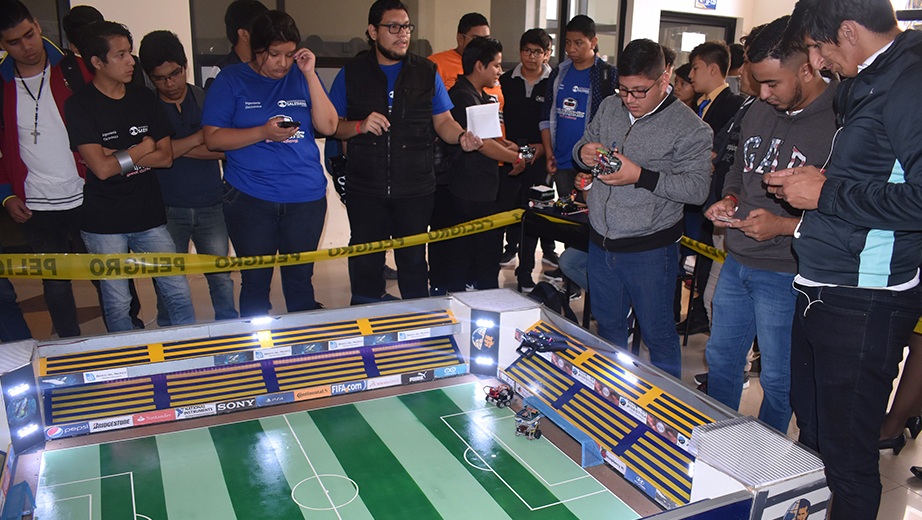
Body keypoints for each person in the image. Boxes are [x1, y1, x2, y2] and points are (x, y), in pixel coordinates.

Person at [767, 1, 922, 517]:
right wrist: (813, 183)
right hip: (822, 286)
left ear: (849, 32)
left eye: (817, 47)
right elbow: (874, 176)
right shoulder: (872, 78)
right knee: (813, 438)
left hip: (865, 299)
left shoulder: (911, 79)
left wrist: (827, 192)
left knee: (848, 462)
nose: (816, 62)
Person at [701, 15, 837, 433]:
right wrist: (730, 199)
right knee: (721, 361)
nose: (763, 94)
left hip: (786, 272)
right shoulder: (759, 109)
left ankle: (768, 458)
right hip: (737, 261)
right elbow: (740, 171)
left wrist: (782, 225)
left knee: (778, 379)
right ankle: (715, 449)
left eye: (772, 84)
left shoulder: (840, 121)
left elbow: (843, 209)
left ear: (808, 67)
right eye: (757, 83)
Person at [573, 39, 712, 379]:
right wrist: (584, 153)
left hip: (650, 250)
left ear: (665, 79)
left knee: (658, 335)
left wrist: (640, 175)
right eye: (623, 90)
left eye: (639, 91)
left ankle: (669, 414)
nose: (629, 100)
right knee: (607, 329)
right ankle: (610, 397)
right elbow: (582, 145)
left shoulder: (690, 128)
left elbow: (697, 190)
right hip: (601, 241)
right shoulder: (609, 107)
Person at [328, 0, 482, 305]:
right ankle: (363, 329)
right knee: (366, 266)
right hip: (366, 187)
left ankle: (421, 330)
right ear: (373, 31)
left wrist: (461, 137)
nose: (403, 34)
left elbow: (444, 122)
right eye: (393, 27)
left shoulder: (426, 72)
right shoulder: (351, 73)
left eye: (407, 27)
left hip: (415, 188)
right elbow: (333, 127)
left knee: (413, 264)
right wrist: (359, 125)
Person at [203, 11, 337, 317]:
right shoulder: (232, 79)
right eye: (274, 54)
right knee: (255, 282)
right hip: (250, 198)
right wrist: (263, 132)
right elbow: (212, 138)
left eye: (289, 54)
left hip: (305, 198)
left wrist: (309, 73)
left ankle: (305, 349)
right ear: (256, 50)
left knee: (301, 281)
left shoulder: (302, 76)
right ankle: (257, 355)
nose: (282, 63)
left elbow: (328, 126)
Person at [64, 21, 196, 332]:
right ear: (97, 62)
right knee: (117, 300)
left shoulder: (144, 98)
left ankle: (193, 354)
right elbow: (101, 169)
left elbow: (164, 158)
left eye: (130, 53)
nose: (131, 61)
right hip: (103, 223)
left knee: (177, 289)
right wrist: (141, 147)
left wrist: (118, 152)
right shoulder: (79, 105)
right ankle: (124, 365)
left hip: (149, 216)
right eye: (120, 54)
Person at [139, 30, 237, 325]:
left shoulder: (207, 98)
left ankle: (230, 331)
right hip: (166, 209)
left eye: (175, 73)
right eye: (160, 78)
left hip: (212, 204)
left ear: (185, 66)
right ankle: (167, 335)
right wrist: (199, 138)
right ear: (149, 77)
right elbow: (156, 156)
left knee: (221, 278)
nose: (170, 83)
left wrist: (171, 148)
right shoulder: (146, 107)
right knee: (169, 282)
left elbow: (223, 150)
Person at [444, 37, 524, 292]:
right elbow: (481, 143)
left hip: (485, 187)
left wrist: (508, 145)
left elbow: (492, 137)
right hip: (470, 191)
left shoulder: (481, 95)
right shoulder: (461, 96)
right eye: (497, 65)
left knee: (485, 252)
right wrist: (515, 158)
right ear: (479, 65)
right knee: (475, 254)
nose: (500, 71)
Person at [678, 40, 746, 336]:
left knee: (712, 269)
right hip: (697, 195)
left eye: (695, 68)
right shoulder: (699, 105)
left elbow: (722, 156)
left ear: (713, 68)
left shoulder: (733, 105)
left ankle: (703, 318)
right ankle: (697, 314)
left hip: (718, 196)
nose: (691, 76)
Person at [497, 28, 555, 291]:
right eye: (526, 51)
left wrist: (535, 152)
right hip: (507, 157)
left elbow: (554, 125)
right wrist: (513, 153)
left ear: (546, 54)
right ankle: (495, 262)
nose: (531, 57)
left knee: (531, 217)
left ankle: (525, 273)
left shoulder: (554, 82)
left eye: (537, 52)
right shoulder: (505, 81)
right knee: (503, 212)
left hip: (539, 159)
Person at [540, 15, 617, 205]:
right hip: (562, 162)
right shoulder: (558, 73)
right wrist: (549, 153)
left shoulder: (607, 74)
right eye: (567, 42)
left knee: (593, 217)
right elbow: (546, 116)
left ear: (593, 42)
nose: (571, 49)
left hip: (594, 165)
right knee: (568, 220)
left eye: (578, 43)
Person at [203, 0, 268, 89]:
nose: (268, 34)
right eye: (262, 29)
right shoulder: (221, 72)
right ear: (244, 34)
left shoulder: (272, 66)